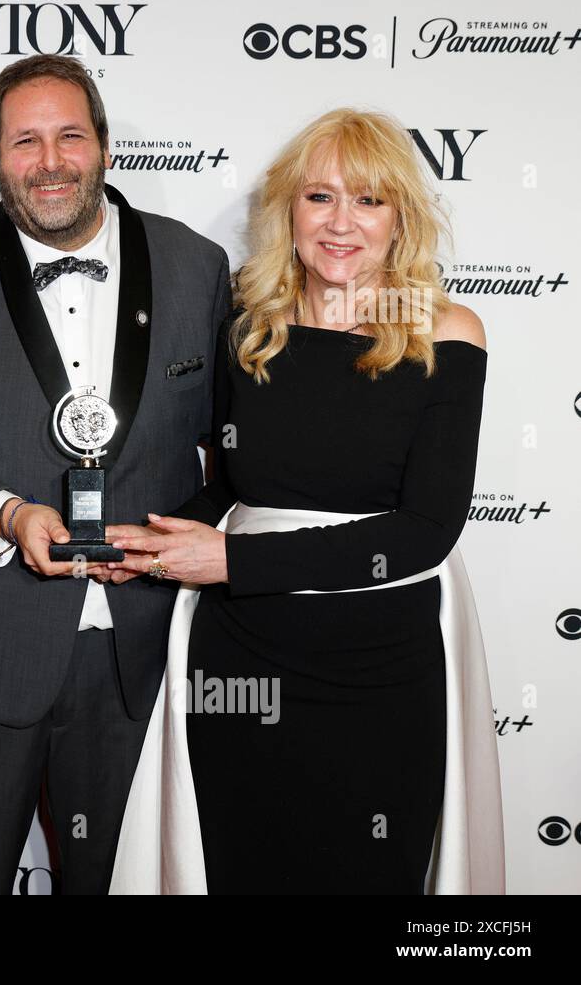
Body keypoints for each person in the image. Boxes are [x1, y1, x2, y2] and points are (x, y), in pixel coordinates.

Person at [107, 108, 504, 894]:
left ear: (403, 219)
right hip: (239, 659)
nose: (341, 223)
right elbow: (235, 484)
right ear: (289, 211)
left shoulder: (446, 332)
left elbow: (425, 530)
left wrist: (229, 558)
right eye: (319, 197)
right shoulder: (254, 328)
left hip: (378, 666)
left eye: (369, 200)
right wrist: (152, 543)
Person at [0, 54, 231, 894]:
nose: (50, 161)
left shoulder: (197, 266)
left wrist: (174, 535)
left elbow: (237, 446)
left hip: (141, 654)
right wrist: (7, 516)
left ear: (105, 148)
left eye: (70, 135)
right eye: (24, 141)